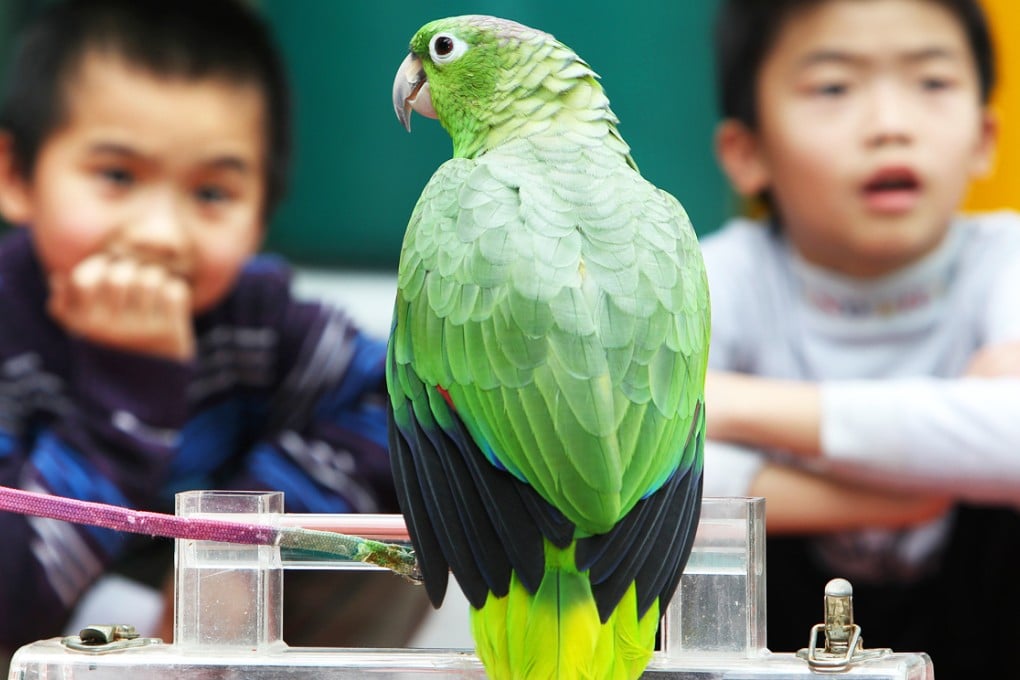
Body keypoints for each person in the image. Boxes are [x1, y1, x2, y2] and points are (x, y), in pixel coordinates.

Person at [0, 0, 428, 666]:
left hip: (221, 622)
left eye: (212, 194)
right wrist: (129, 398)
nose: (161, 235)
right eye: (116, 176)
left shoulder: (258, 317)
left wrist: (232, 544)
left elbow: (400, 405)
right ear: (15, 175)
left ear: (263, 213)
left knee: (390, 548)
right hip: (36, 619)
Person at [703, 0, 1020, 676]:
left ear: (985, 139)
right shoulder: (709, 279)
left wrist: (722, 402)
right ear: (747, 152)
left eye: (932, 83)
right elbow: (605, 470)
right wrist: (913, 483)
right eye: (833, 88)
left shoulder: (1008, 258)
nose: (891, 126)